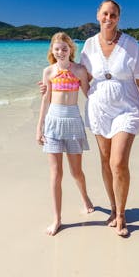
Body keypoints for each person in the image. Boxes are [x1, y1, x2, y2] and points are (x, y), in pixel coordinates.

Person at [80, 0, 139, 237]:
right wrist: (52, 87)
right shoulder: (89, 45)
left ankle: (122, 214)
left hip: (127, 108)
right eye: (105, 14)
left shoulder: (131, 45)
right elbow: (81, 77)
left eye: (113, 15)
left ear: (118, 18)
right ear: (97, 15)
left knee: (117, 162)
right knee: (104, 160)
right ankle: (113, 208)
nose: (108, 18)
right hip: (99, 109)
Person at [36, 32, 94, 236]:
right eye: (57, 48)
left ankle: (85, 197)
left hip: (73, 122)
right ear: (52, 50)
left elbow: (89, 94)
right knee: (56, 174)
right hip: (52, 122)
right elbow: (45, 100)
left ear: (71, 49)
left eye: (64, 48)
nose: (60, 52)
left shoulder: (79, 70)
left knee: (76, 172)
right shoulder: (48, 72)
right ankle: (57, 219)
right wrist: (39, 127)